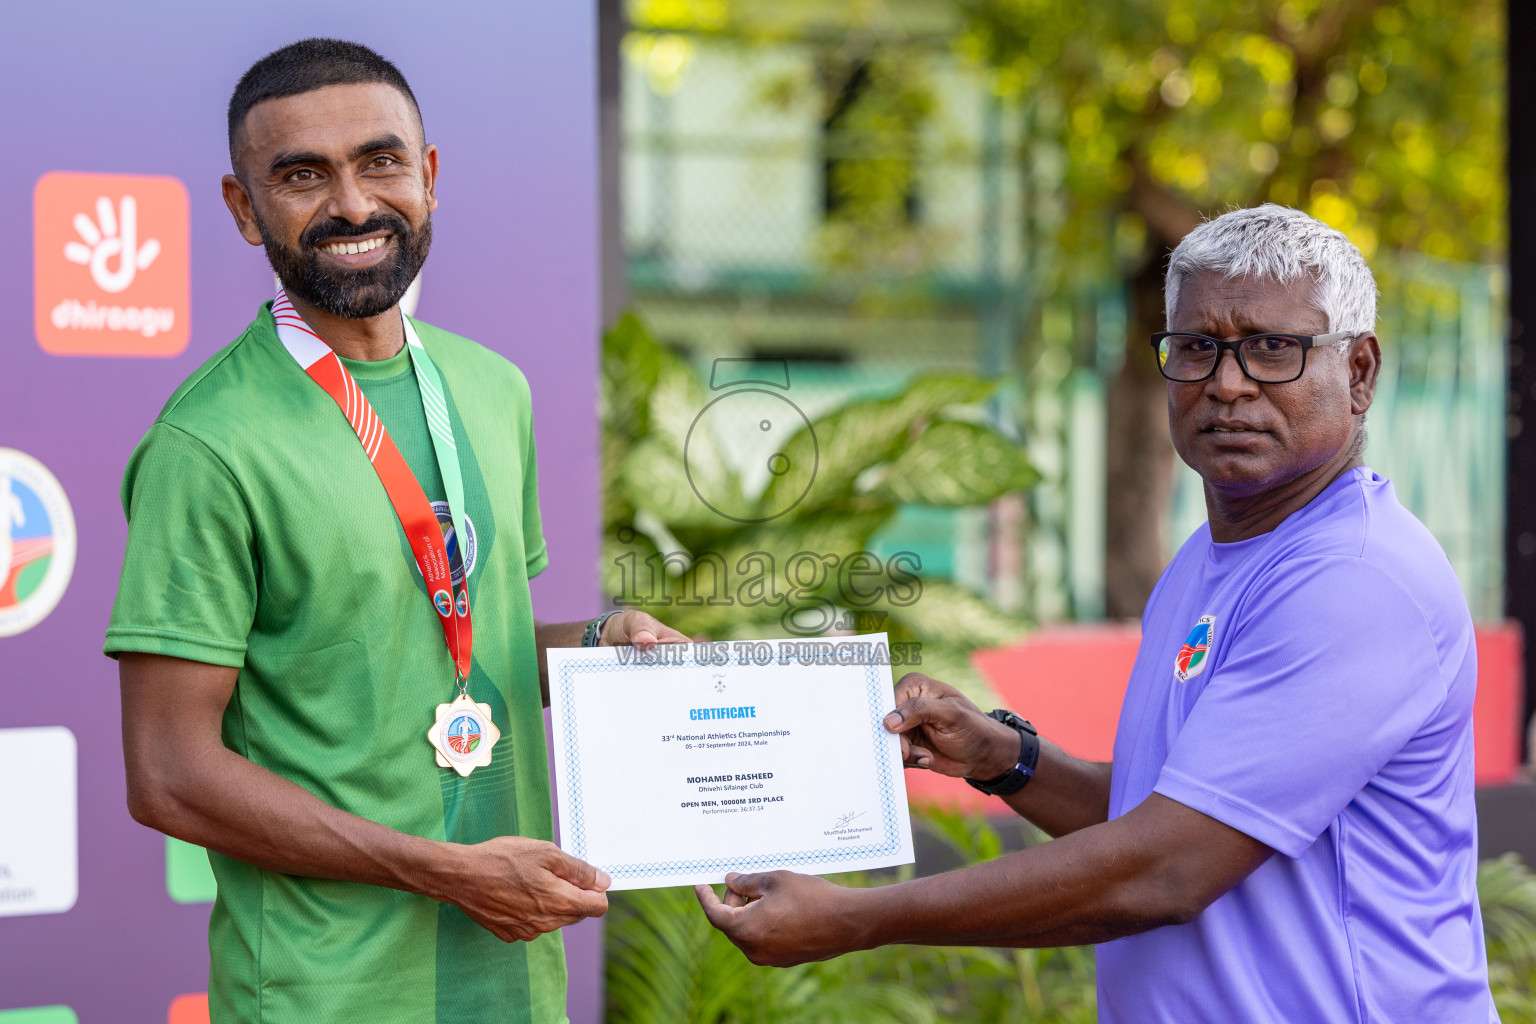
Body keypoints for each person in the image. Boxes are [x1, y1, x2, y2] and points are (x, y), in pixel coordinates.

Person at [697, 205, 1498, 1022]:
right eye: (1197, 348)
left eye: (1271, 348)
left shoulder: (1354, 581)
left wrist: (858, 919)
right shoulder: (1210, 559)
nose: (1227, 382)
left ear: (1359, 372)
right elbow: (1176, 805)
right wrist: (1007, 759)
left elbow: (1166, 868)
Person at [106, 38, 685, 1024]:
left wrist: (597, 647)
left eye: (380, 162)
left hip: (512, 975)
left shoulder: (493, 388)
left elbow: (465, 645)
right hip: (320, 991)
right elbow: (169, 774)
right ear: (245, 210)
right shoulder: (209, 441)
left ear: (428, 175)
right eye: (301, 176)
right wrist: (445, 871)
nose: (353, 205)